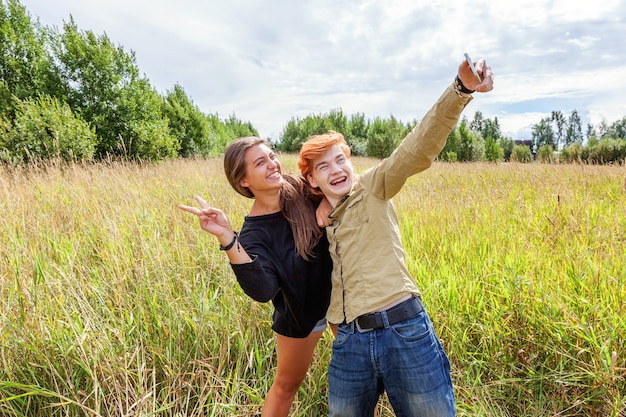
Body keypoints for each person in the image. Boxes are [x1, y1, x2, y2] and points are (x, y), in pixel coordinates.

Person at [297, 57, 494, 416]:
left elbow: (418, 147)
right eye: (323, 166)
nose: (336, 170)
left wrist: (460, 90)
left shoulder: (374, 186)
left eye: (340, 159)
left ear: (350, 161)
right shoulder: (318, 216)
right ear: (312, 181)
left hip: (404, 330)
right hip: (350, 344)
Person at [178, 137, 333, 417]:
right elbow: (262, 290)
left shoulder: (300, 187)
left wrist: (327, 203)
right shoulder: (254, 234)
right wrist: (227, 236)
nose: (273, 164)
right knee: (286, 386)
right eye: (260, 163)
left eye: (271, 156)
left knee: (363, 376)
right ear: (244, 181)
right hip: (302, 315)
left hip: (343, 302)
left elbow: (345, 185)